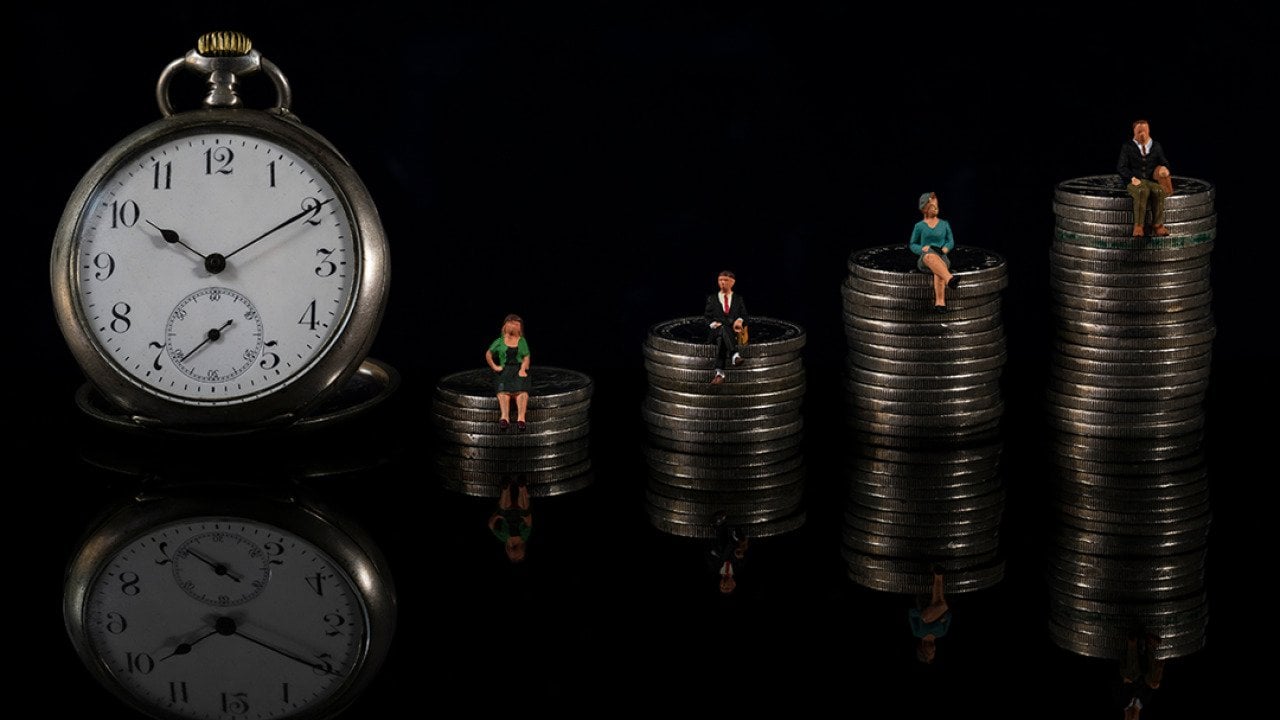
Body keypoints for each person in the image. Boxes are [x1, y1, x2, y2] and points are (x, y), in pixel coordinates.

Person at [1116, 119, 1172, 237]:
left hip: (1151, 180)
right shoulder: (1127, 147)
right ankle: (1138, 226)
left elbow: (1164, 161)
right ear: (1134, 132)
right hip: (1134, 181)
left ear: (1149, 131)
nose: (1142, 134)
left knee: (1158, 191)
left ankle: (1158, 225)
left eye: (1145, 131)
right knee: (1142, 191)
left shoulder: (1156, 146)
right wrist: (1131, 177)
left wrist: (1164, 169)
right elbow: (1121, 167)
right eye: (1139, 132)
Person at [908, 192, 959, 312]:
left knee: (938, 269)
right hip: (926, 256)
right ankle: (950, 280)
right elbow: (912, 244)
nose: (935, 209)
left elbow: (950, 241)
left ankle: (940, 302)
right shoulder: (919, 226)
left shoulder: (944, 224)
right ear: (924, 209)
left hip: (941, 255)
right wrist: (921, 249)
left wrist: (946, 248)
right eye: (932, 207)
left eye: (937, 206)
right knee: (931, 259)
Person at [485, 314, 530, 431]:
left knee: (522, 393)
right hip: (504, 371)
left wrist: (523, 369)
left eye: (515, 324)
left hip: (518, 371)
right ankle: (504, 417)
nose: (513, 326)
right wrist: (495, 367)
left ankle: (521, 418)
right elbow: (488, 354)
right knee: (503, 393)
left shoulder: (521, 341)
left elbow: (526, 357)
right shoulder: (500, 342)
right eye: (511, 323)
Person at [703, 271, 748, 384]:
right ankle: (734, 355)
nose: (722, 282)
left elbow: (744, 316)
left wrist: (739, 320)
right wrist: (713, 324)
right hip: (716, 331)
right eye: (720, 280)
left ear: (732, 282)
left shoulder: (738, 299)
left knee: (723, 337)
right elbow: (707, 317)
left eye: (726, 280)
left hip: (732, 332)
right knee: (722, 329)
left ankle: (719, 374)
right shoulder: (712, 299)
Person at [1116, 631, 1164, 719]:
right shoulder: (1143, 702)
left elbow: (1116, 683)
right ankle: (1151, 644)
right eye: (1134, 719)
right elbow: (1149, 689)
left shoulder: (1122, 702)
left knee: (1132, 676)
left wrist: (1125, 681)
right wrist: (1155, 686)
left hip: (1130, 668)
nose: (1132, 717)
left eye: (1129, 719)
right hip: (1144, 670)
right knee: (1154, 680)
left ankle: (1132, 641)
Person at [908, 565, 950, 663]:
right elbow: (949, 616)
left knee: (935, 609)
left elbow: (911, 614)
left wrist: (923, 615)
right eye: (934, 652)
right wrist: (940, 619)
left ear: (923, 650)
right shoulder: (942, 633)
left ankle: (938, 576)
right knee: (938, 607)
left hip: (924, 604)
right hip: (941, 609)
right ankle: (938, 576)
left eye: (931, 653)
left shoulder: (917, 632)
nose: (934, 650)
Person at [488, 477, 532, 563]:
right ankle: (522, 487)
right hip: (519, 513)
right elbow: (529, 522)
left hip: (506, 513)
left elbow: (490, 525)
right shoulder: (524, 537)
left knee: (504, 510)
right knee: (524, 510)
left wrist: (497, 516)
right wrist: (525, 517)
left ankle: (505, 487)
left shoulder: (503, 537)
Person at [706, 512, 749, 593]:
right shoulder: (739, 569)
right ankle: (725, 526)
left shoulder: (714, 569)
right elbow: (744, 557)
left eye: (721, 586)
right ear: (734, 584)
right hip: (735, 546)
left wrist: (718, 554)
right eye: (727, 588)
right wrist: (739, 555)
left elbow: (709, 554)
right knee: (736, 546)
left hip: (720, 546)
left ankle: (722, 525)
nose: (724, 585)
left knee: (721, 550)